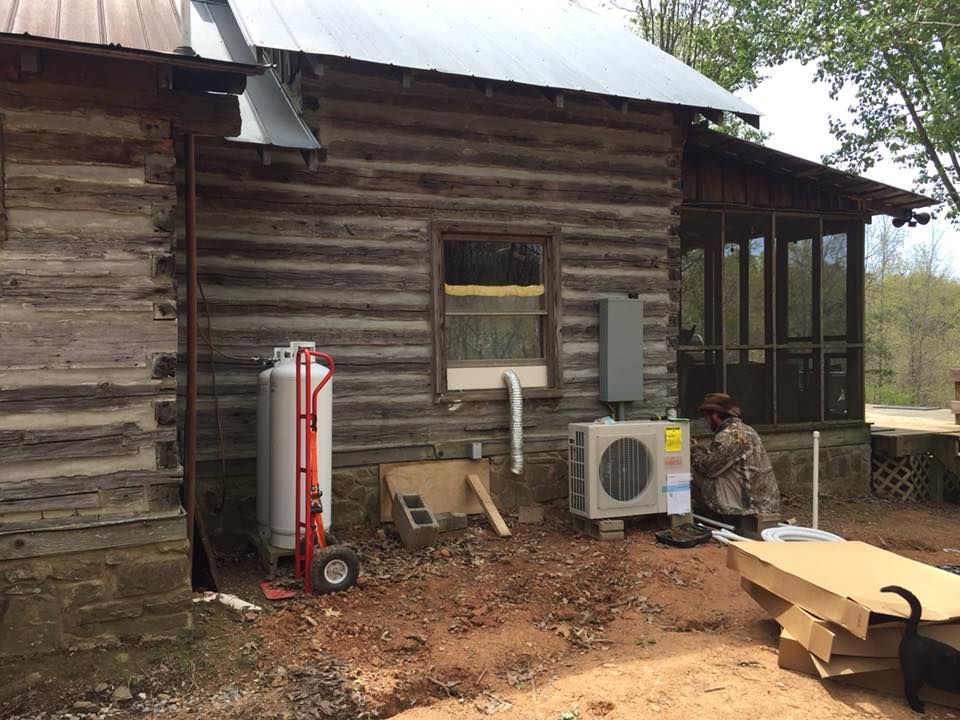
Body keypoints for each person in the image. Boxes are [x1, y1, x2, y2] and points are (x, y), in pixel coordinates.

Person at [690, 392, 780, 519]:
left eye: (706, 417)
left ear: (715, 415)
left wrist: (693, 449)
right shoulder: (745, 429)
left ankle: (714, 517)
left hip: (752, 508)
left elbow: (707, 468)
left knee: (689, 472)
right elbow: (717, 460)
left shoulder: (731, 435)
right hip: (762, 503)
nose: (706, 421)